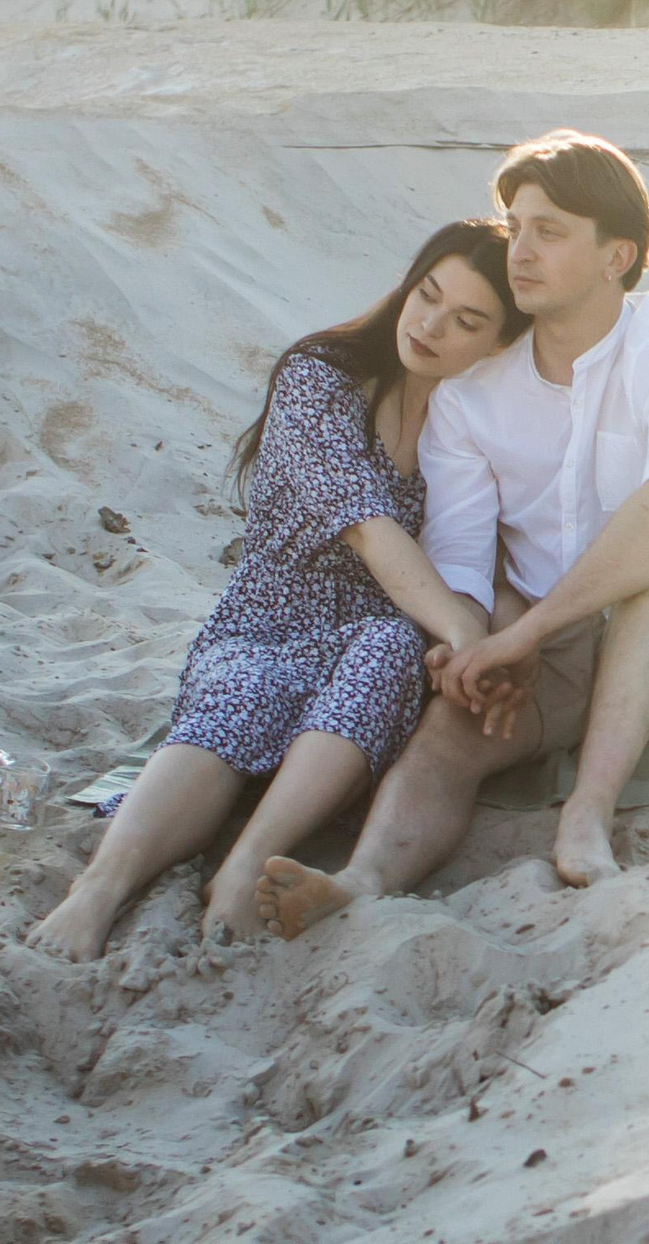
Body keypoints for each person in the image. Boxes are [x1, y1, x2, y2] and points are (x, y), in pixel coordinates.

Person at [258, 129, 649, 938]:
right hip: (551, 649)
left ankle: (586, 816)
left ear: (616, 256)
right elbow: (459, 552)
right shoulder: (472, 393)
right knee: (456, 719)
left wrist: (531, 627)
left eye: (549, 231)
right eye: (515, 225)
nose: (518, 250)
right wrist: (483, 646)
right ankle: (361, 879)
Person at [31, 220, 529, 959]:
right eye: (427, 294)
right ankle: (98, 888)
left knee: (390, 647)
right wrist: (461, 633)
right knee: (242, 694)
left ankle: (244, 865)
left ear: (495, 345)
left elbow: (494, 556)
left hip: (380, 632)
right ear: (408, 281)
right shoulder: (318, 377)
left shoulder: (469, 427)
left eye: (467, 320)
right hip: (267, 615)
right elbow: (367, 528)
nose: (430, 325)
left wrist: (491, 644)